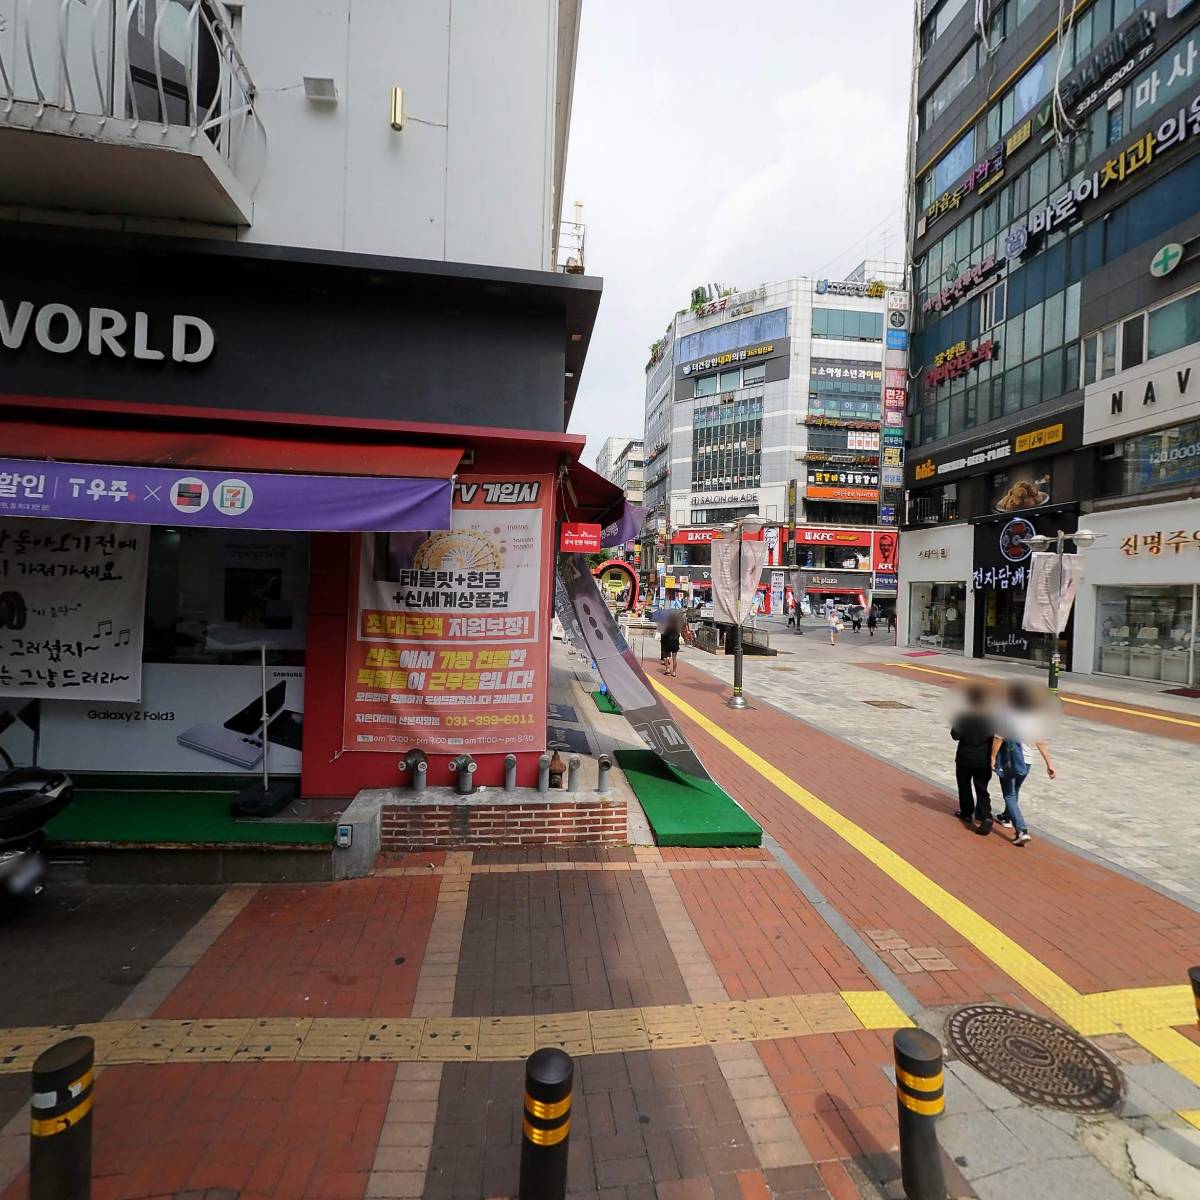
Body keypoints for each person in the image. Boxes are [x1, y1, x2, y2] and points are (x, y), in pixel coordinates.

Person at [991, 681, 1057, 847]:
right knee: (1015, 790)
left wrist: (992, 757)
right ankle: (1006, 817)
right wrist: (1049, 764)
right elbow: (1040, 742)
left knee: (1009, 794)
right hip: (1027, 762)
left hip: (1009, 761)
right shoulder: (1032, 717)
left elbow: (998, 737)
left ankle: (1021, 830)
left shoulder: (1008, 714)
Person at [951, 684, 995, 833]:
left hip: (965, 757)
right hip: (984, 759)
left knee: (964, 786)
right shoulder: (991, 719)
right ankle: (985, 816)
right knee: (982, 788)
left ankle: (966, 813)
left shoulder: (963, 717)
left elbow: (955, 735)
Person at [660, 610, 683, 677]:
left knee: (665, 656)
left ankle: (667, 669)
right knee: (674, 658)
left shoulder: (667, 627)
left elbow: (664, 635)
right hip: (675, 644)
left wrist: (662, 641)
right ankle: (674, 672)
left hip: (667, 643)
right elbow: (678, 635)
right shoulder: (677, 627)